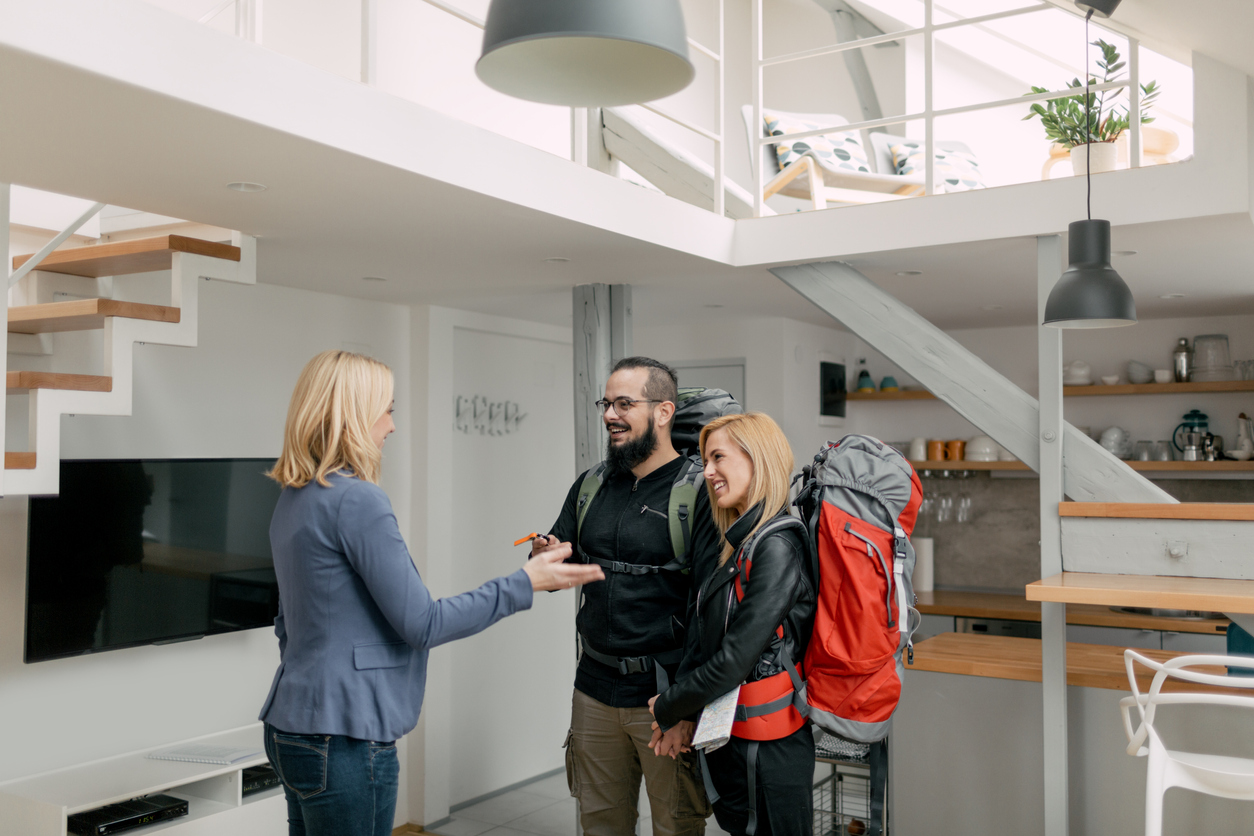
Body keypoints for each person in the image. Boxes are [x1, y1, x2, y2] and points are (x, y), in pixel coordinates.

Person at [259, 350, 604, 836]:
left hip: (292, 725)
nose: (392, 426)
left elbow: (286, 621)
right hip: (346, 738)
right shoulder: (358, 499)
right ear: (354, 415)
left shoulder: (294, 497)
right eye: (388, 409)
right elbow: (424, 623)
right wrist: (525, 582)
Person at [535, 357, 720, 836]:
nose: (609, 415)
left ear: (663, 411)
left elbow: (709, 610)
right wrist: (546, 557)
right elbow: (558, 572)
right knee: (599, 826)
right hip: (593, 689)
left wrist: (684, 707)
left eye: (623, 403)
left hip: (662, 698)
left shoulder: (697, 492)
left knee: (675, 827)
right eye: (606, 403)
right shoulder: (592, 484)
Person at [649, 413, 816, 836]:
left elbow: (732, 661)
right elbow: (706, 637)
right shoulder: (741, 544)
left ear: (757, 459)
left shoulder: (778, 546)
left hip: (770, 753)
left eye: (718, 457)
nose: (707, 472)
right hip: (739, 746)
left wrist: (670, 705)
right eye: (706, 460)